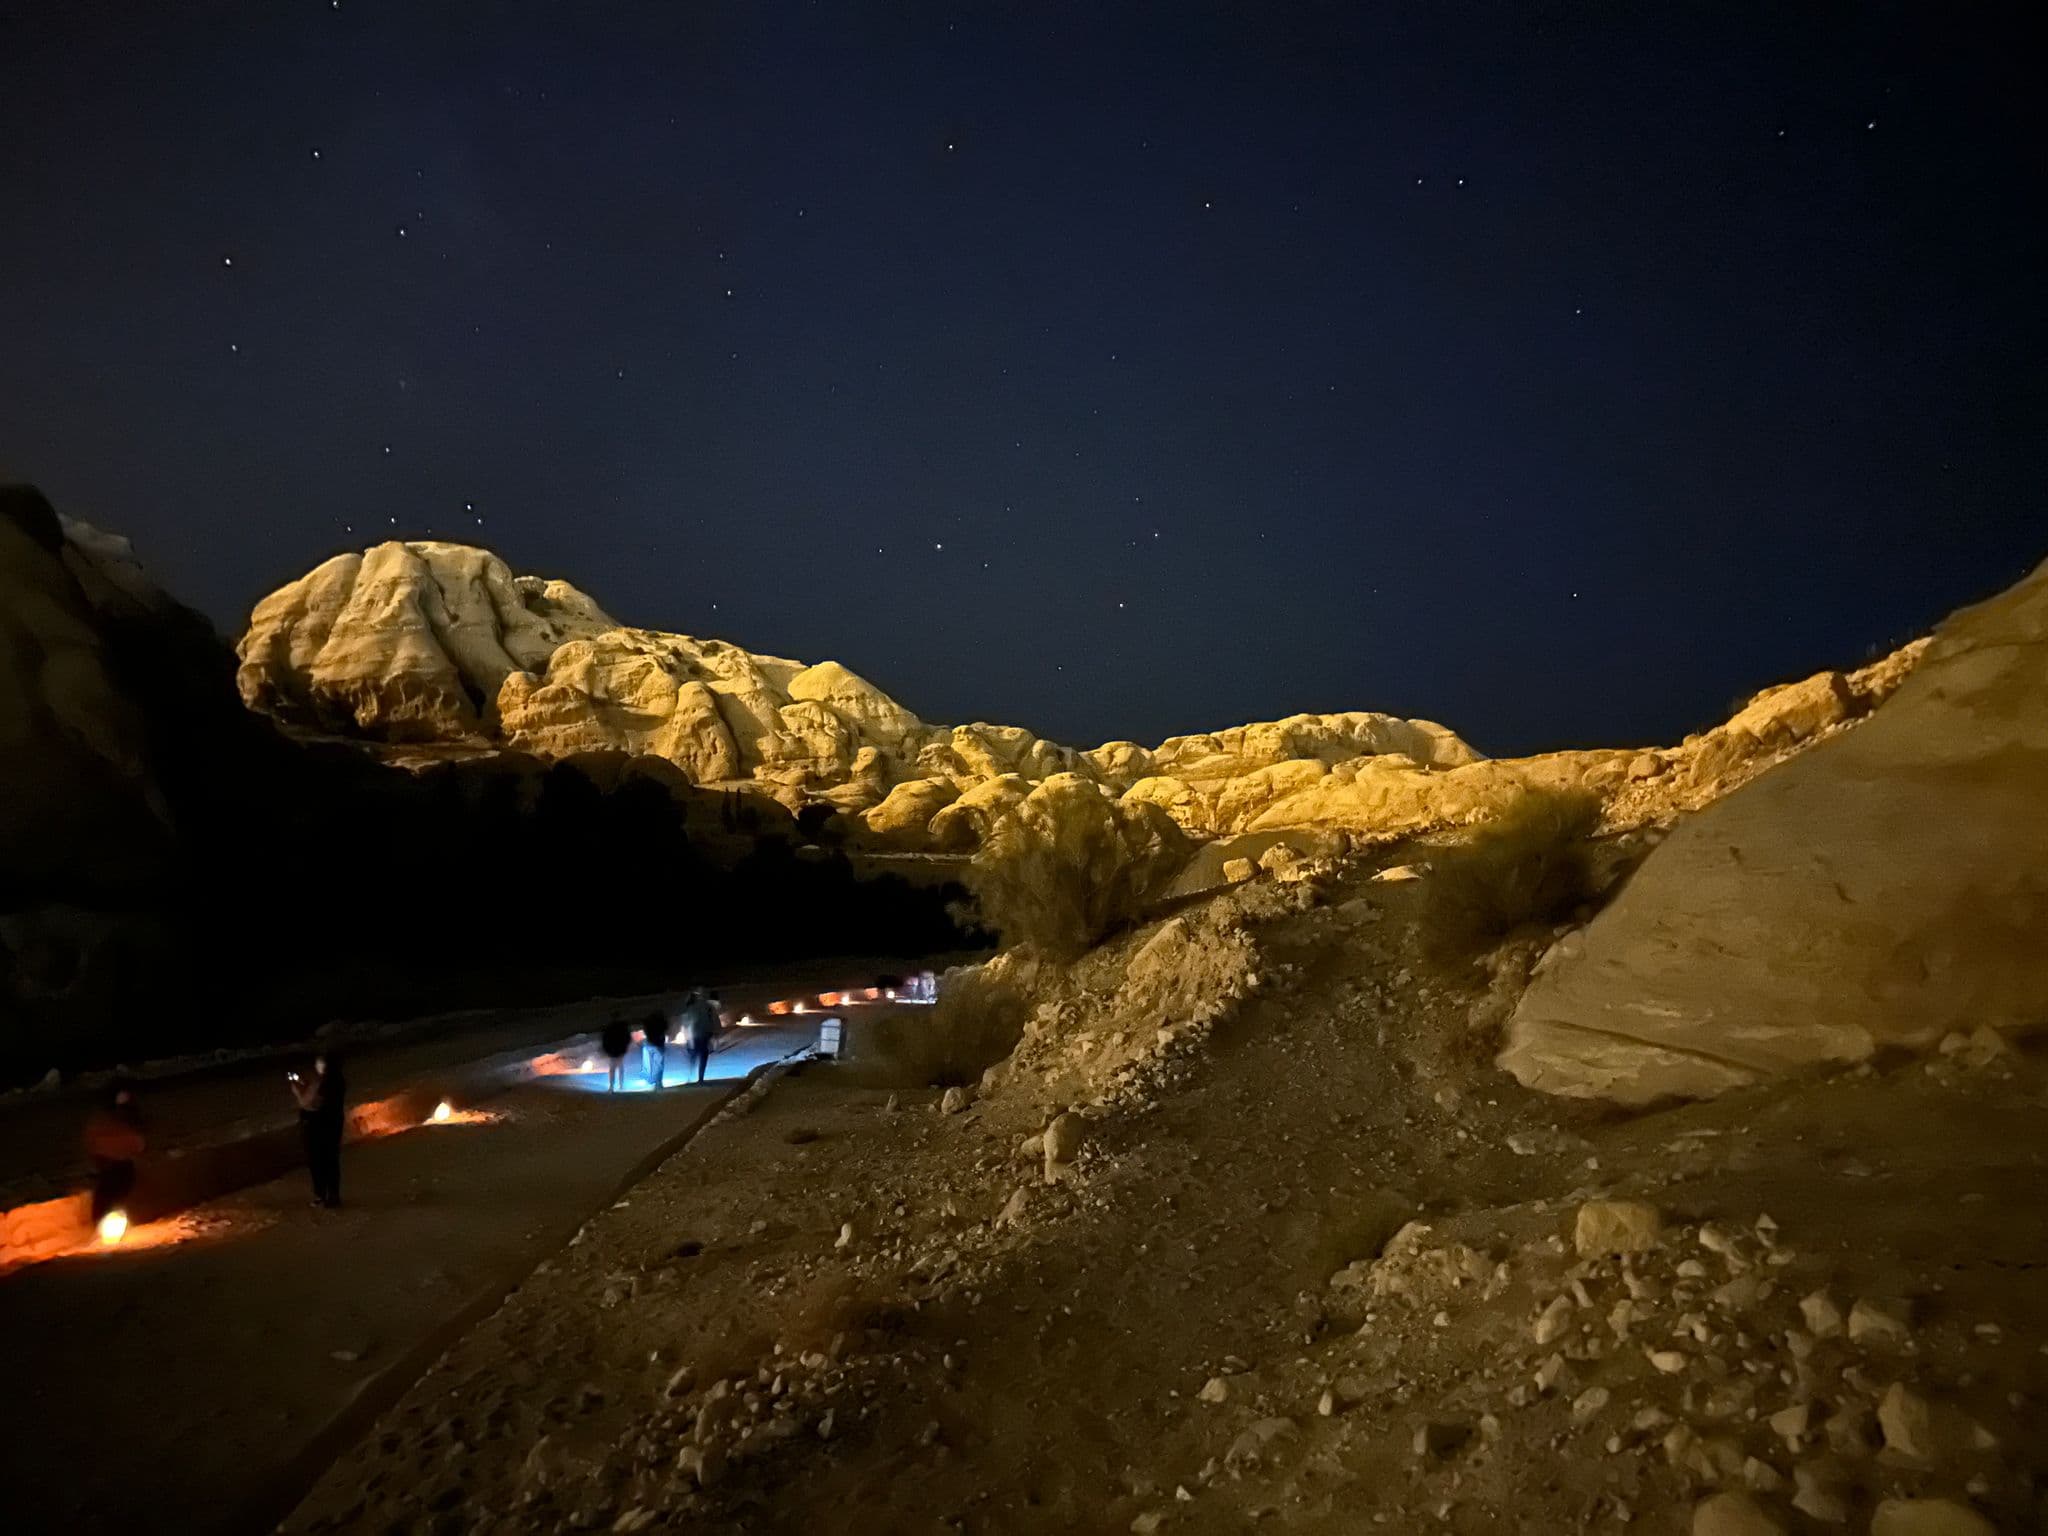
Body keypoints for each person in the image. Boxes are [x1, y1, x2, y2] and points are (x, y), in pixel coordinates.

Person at [290, 1053, 348, 1208]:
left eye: (319, 1062)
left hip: (319, 1128)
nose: (317, 1065)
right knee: (331, 1161)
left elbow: (309, 1103)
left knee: (318, 1162)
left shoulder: (326, 1083)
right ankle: (332, 1195)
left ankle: (322, 1196)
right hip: (333, 1126)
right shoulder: (336, 1081)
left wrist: (298, 1091)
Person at [84, 1081, 146, 1225]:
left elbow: (138, 1145)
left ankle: (105, 1222)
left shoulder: (125, 1121)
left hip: (119, 1167)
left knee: (113, 1194)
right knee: (106, 1196)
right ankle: (100, 1223)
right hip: (111, 1167)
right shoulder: (103, 1122)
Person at [682, 990, 718, 1084]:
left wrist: (688, 1039)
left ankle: (690, 1077)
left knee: (694, 1056)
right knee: (703, 1056)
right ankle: (700, 1078)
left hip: (696, 1035)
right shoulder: (706, 1007)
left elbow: (687, 1024)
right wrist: (712, 1033)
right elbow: (710, 1021)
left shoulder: (690, 1009)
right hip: (704, 1034)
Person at [600, 1016, 634, 1093]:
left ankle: (612, 1087)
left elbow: (605, 1039)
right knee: (619, 1067)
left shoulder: (609, 1028)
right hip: (619, 1050)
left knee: (613, 1068)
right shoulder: (622, 1028)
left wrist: (606, 1049)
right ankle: (620, 1085)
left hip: (613, 1050)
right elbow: (627, 1038)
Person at [641, 1008, 671, 1089]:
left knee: (652, 1064)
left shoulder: (648, 1021)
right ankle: (659, 1082)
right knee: (660, 1063)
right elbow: (666, 1028)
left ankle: (653, 1081)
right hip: (659, 1043)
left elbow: (645, 1029)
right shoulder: (662, 1021)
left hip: (650, 1043)